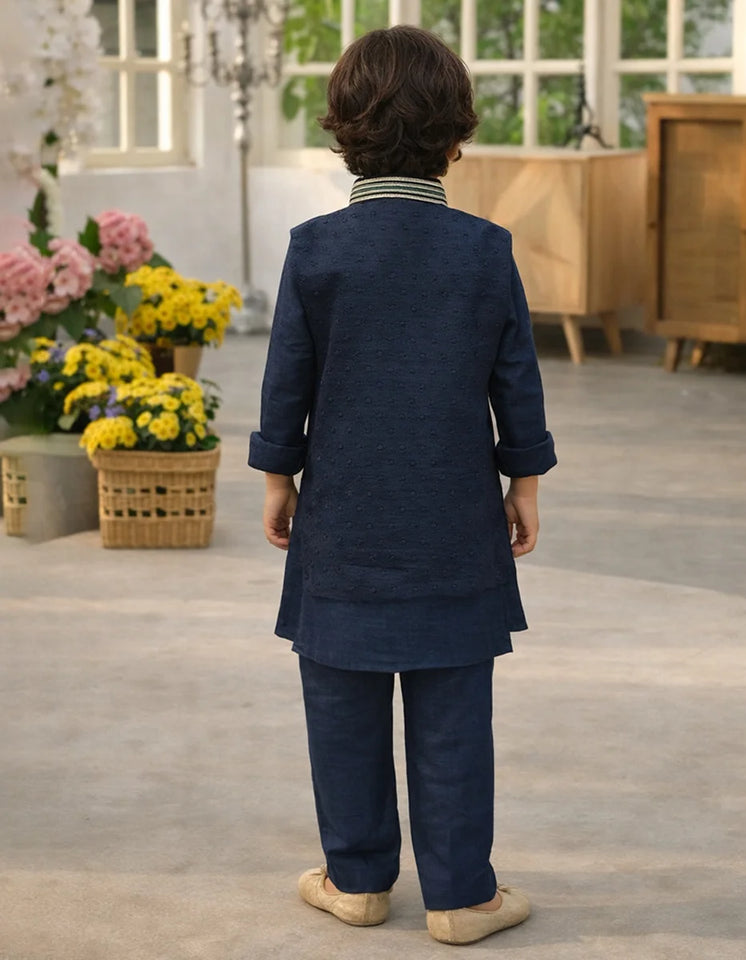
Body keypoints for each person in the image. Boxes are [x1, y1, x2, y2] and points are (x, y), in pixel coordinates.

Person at [248, 25, 557, 946]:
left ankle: (356, 883)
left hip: (342, 526)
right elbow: (516, 379)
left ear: (342, 132)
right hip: (454, 524)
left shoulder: (316, 250)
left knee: (339, 705)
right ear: (457, 137)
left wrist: (277, 474)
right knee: (454, 711)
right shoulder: (484, 250)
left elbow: (286, 379)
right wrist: (525, 481)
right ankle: (462, 898)